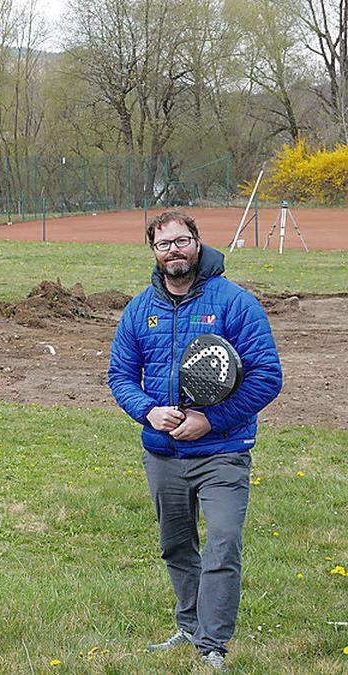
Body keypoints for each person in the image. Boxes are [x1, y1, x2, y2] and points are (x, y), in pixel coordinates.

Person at [107, 211, 282, 671]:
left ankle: (212, 646)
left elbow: (267, 377)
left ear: (198, 243)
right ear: (153, 251)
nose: (175, 251)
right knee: (177, 545)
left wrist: (212, 419)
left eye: (182, 241)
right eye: (164, 245)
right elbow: (120, 375)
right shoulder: (140, 309)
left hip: (223, 452)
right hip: (163, 453)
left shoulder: (235, 303)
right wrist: (147, 410)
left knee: (223, 542)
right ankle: (189, 626)